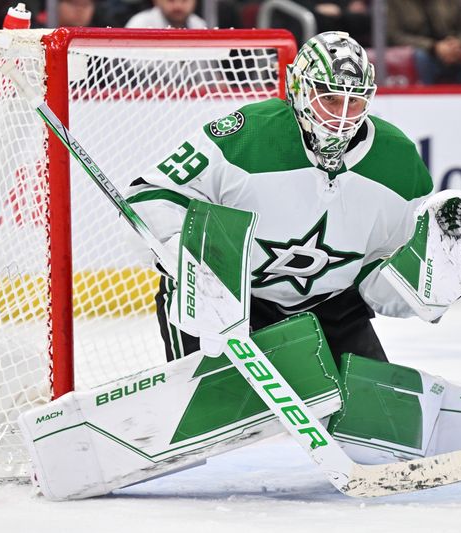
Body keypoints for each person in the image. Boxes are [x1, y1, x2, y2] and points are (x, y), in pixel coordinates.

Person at [126, 31, 434, 366]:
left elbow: (384, 268)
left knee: (377, 415)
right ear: (300, 90)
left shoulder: (399, 162)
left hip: (330, 306)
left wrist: (434, 284)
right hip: (227, 300)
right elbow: (150, 194)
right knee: (216, 411)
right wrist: (182, 252)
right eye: (330, 98)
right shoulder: (247, 135)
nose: (342, 116)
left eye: (354, 100)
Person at [386, 0, 461, 84]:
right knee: (421, 56)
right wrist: (433, 47)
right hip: (419, 51)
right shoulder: (394, 2)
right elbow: (393, 36)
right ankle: (424, 98)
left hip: (451, 50)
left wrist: (457, 43)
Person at [125, 0, 206, 28]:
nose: (178, 6)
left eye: (184, 0)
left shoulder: (200, 25)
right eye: (171, 0)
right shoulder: (140, 25)